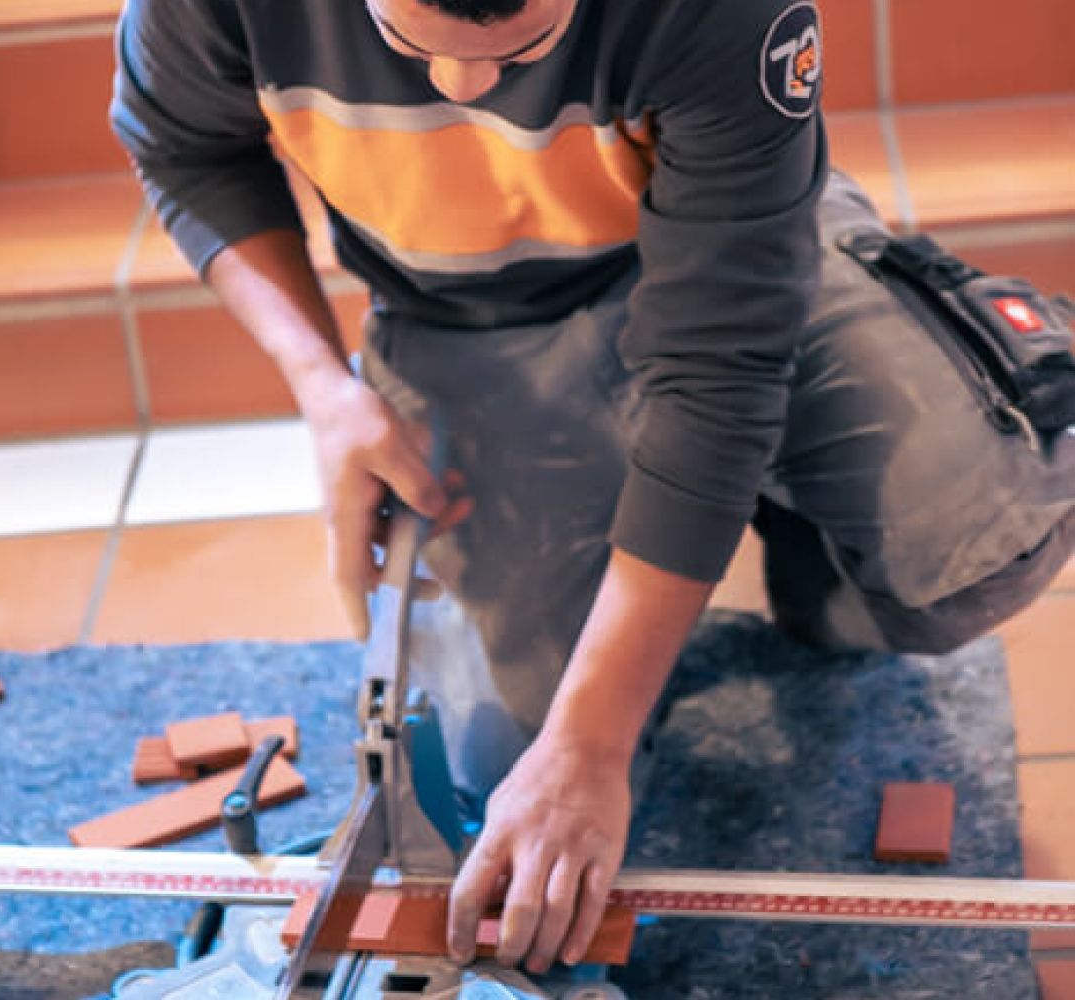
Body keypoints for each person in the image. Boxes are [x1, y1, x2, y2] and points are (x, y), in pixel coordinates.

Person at [111, 0, 1074, 978]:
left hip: (721, 253)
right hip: (465, 319)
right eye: (407, 40)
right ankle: (646, 528)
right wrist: (325, 388)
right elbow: (187, 152)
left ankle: (800, 523)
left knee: (972, 543)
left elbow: (720, 377)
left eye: (523, 47)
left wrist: (593, 745)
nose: (462, 89)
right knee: (495, 778)